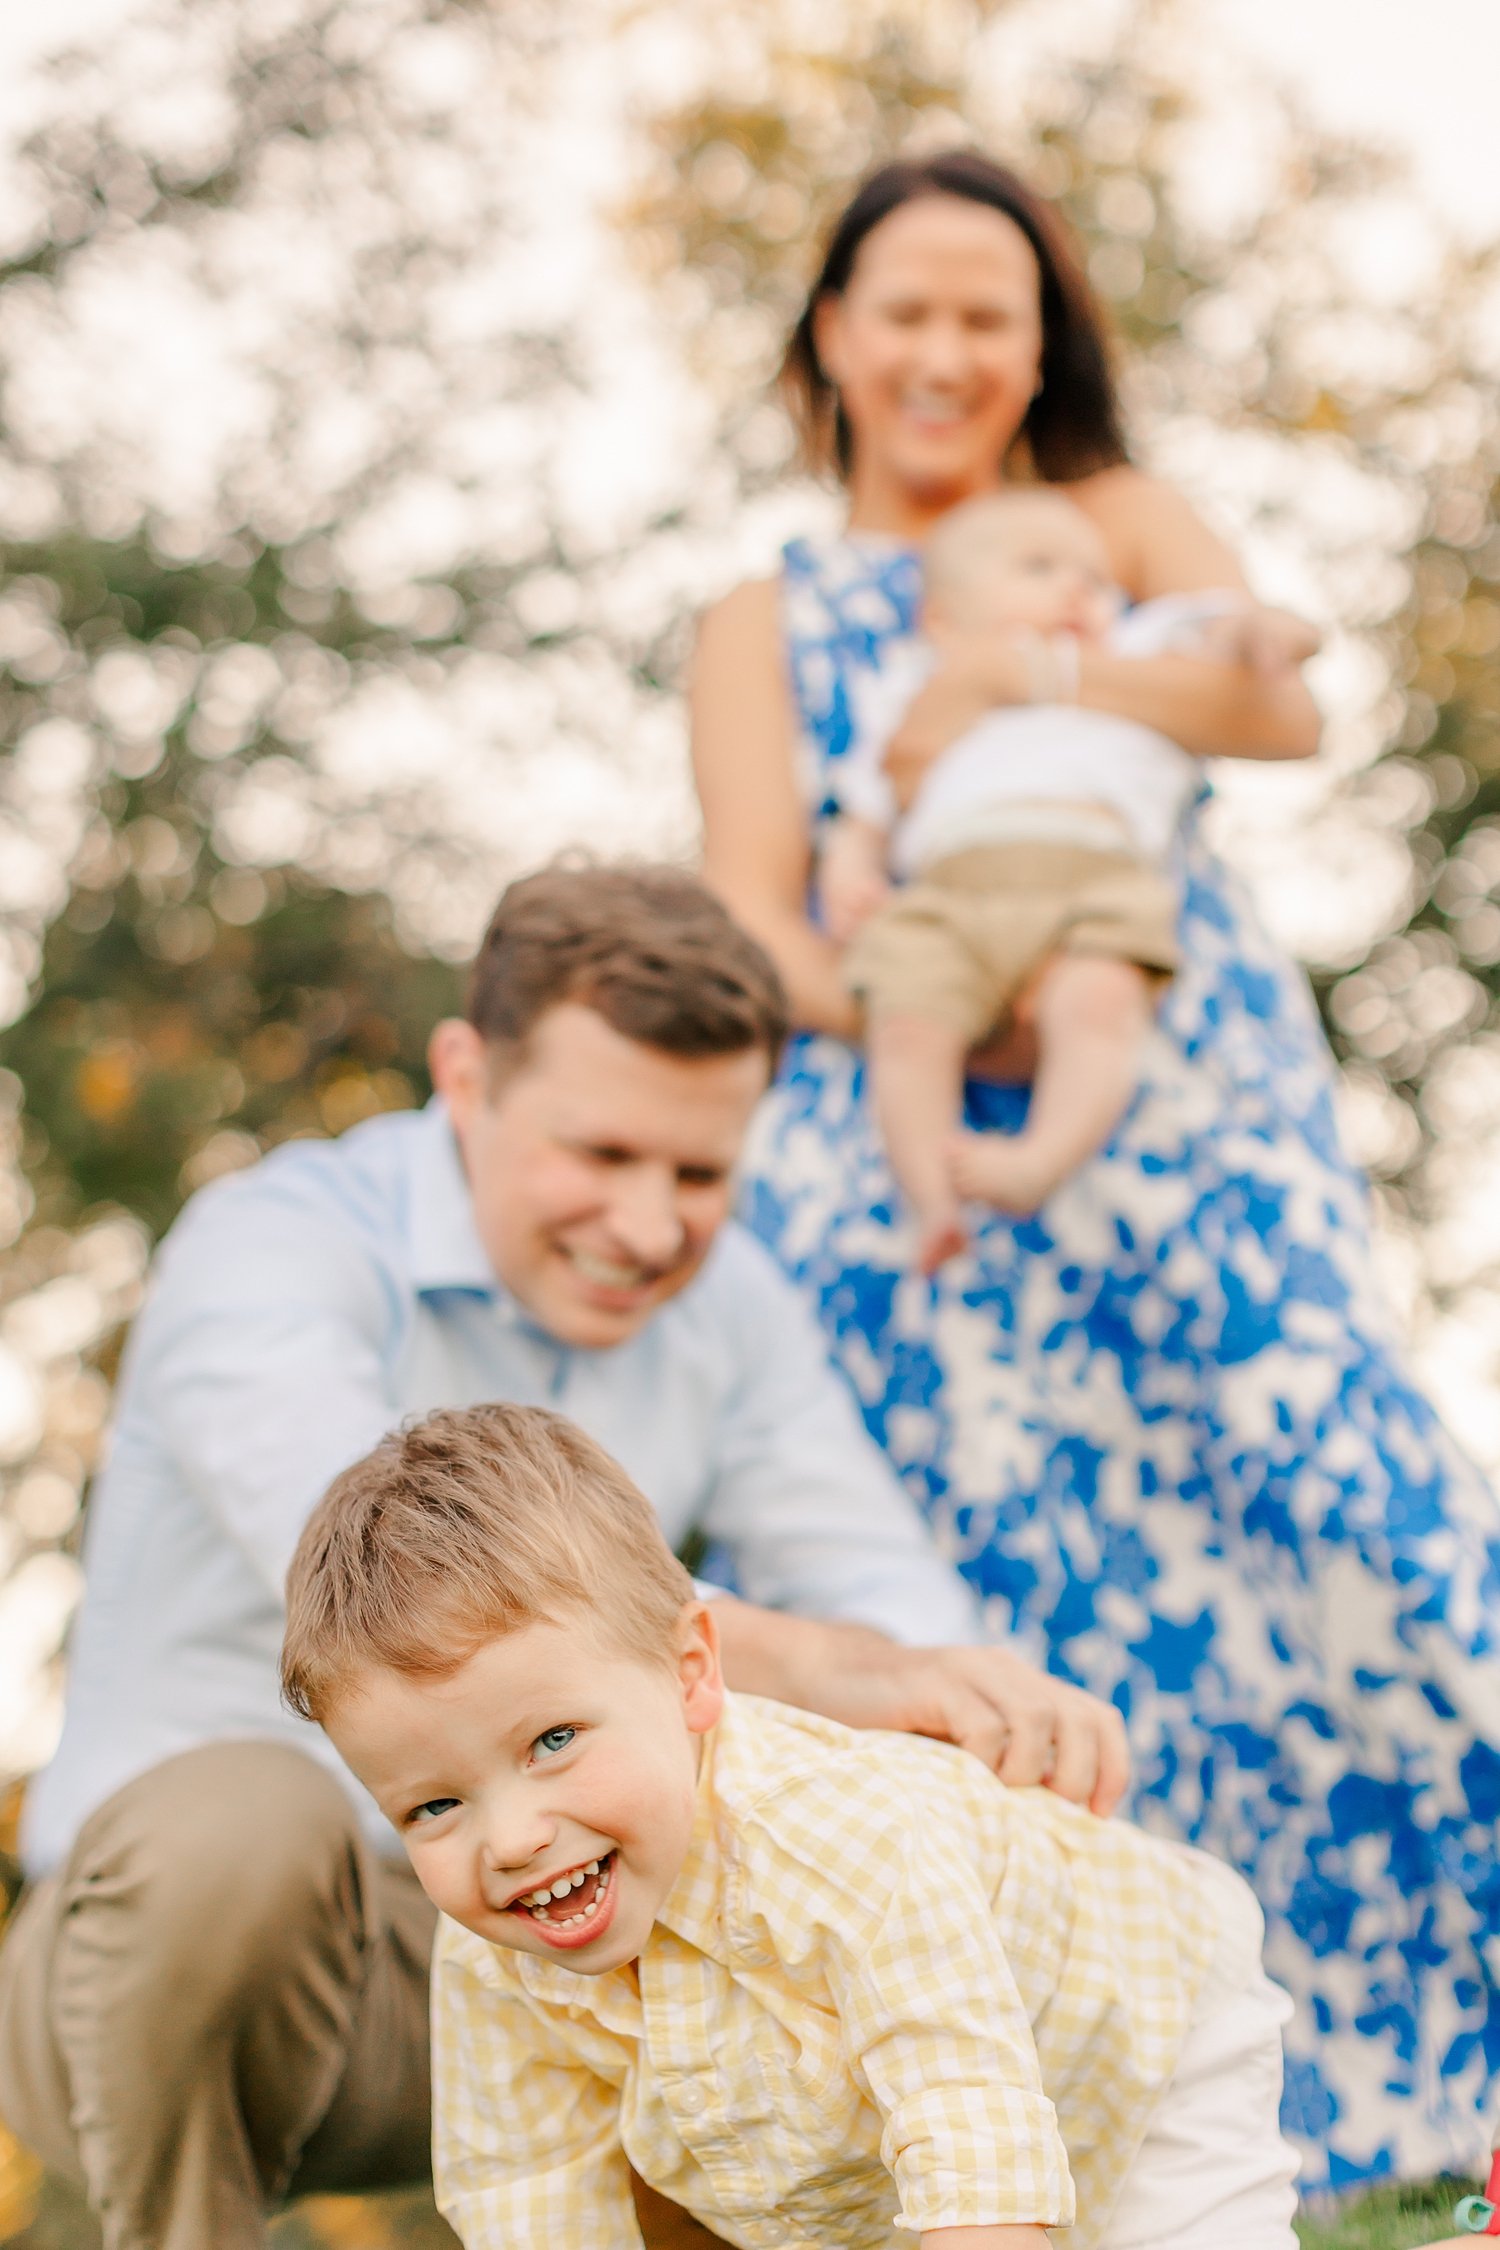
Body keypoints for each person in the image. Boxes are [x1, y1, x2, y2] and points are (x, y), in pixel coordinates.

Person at [690, 146, 1500, 2187]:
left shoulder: (1112, 523)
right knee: (1009, 1599)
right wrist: (929, 997)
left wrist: (1017, 678)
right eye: (909, 310)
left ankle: (1439, 2073)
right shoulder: (753, 620)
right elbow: (755, 912)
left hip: (1189, 1116)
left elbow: (1281, 705)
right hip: (905, 1155)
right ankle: (1106, 2133)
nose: (951, 351)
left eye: (994, 312)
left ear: (1041, 340)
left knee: (1342, 1510)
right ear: (831, 340)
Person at [0, 864, 1125, 2250]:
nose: (650, 1227)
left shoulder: (734, 1311)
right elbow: (391, 1563)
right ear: (465, 1077)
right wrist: (828, 1662)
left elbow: (887, 1599)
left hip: (536, 1942)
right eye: (599, 1155)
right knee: (244, 1820)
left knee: (766, 1839)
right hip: (168, 1974)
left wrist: (965, 1713)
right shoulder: (271, 1246)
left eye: (701, 1172)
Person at [283, 1401, 1302, 2250]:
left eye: (553, 1741)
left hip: (1138, 2019)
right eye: (435, 1806)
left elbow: (963, 2107)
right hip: (892, 2149)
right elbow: (527, 2185)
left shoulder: (832, 1836)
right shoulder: (490, 1961)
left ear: (692, 1674)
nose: (508, 1841)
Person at [822, 487, 1248, 1264]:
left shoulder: (1134, 658)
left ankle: (1039, 1160)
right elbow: (864, 805)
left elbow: (1234, 636)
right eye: (1040, 568)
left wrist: (1269, 631)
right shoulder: (915, 687)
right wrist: (848, 870)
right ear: (944, 619)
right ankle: (930, 1196)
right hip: (952, 890)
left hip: (1097, 878)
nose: (1078, 590)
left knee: (1100, 1006)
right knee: (907, 1024)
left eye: (1094, 577)